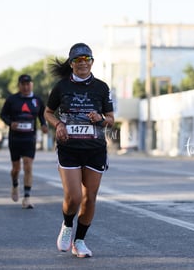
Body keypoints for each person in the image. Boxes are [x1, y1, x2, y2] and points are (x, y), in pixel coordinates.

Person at [44, 43, 114, 258]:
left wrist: (101, 119)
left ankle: (80, 241)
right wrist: (58, 125)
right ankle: (67, 226)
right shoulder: (61, 87)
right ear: (71, 64)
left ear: (92, 62)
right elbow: (47, 112)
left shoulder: (101, 88)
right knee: (73, 197)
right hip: (69, 148)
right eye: (77, 60)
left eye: (86, 59)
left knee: (90, 197)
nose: (82, 63)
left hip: (95, 149)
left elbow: (111, 120)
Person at [0, 74, 48, 209]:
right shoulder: (12, 99)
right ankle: (15, 184)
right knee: (16, 168)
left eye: (28, 84)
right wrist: (10, 123)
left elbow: (42, 115)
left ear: (32, 84)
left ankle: (26, 198)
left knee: (28, 166)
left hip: (29, 138)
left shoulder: (37, 100)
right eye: (23, 84)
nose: (26, 87)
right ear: (19, 85)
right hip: (15, 139)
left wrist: (44, 125)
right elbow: (3, 115)